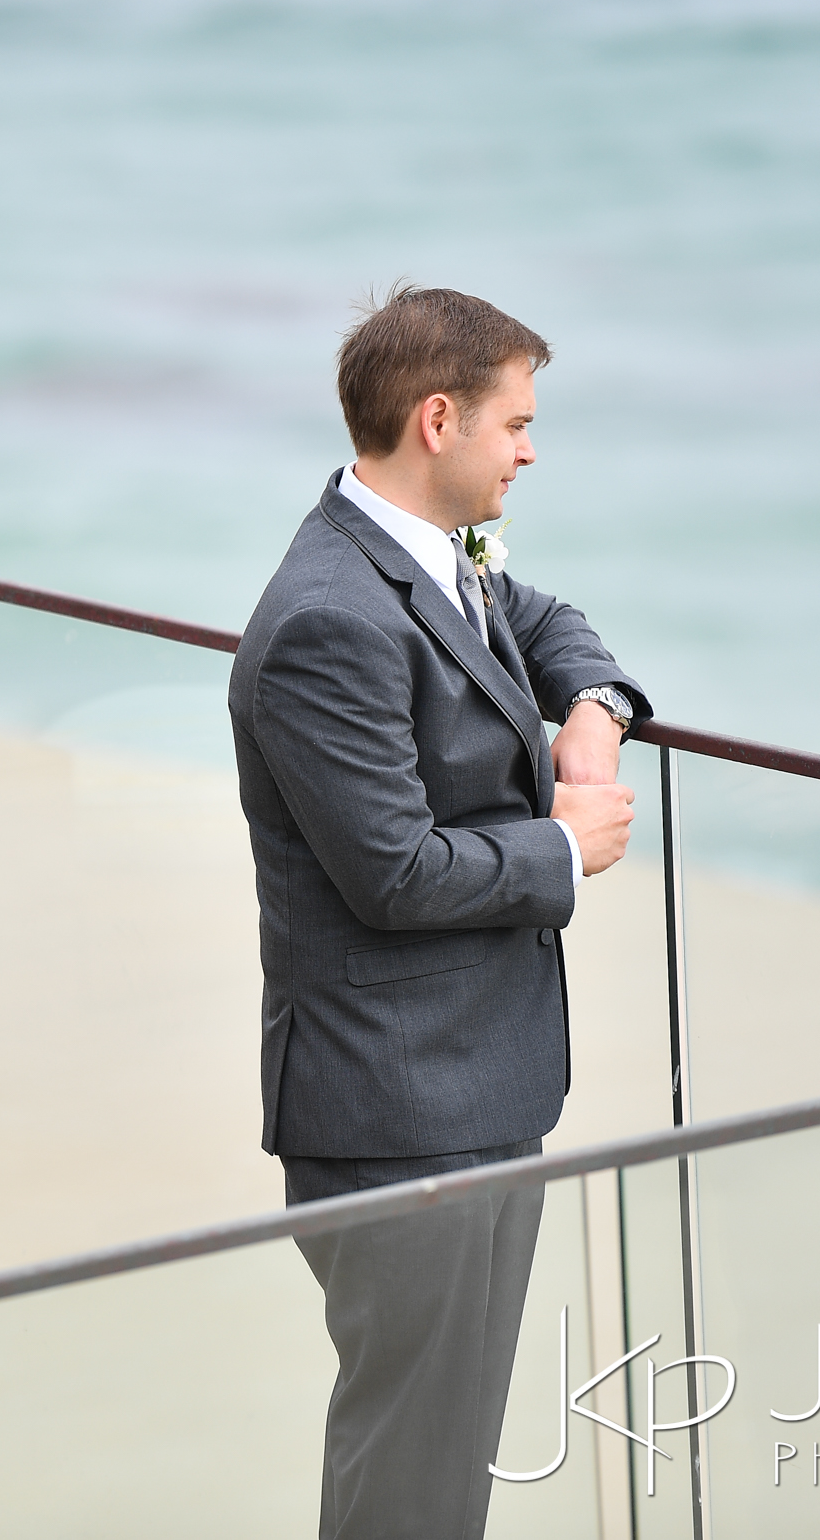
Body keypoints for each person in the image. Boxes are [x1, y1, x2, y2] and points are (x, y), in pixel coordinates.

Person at [228, 284, 649, 1539]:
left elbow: (547, 622)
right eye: (513, 424)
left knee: (446, 1459)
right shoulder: (326, 621)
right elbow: (394, 871)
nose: (529, 449)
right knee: (406, 1471)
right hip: (396, 1113)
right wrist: (561, 847)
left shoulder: (427, 557)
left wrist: (593, 710)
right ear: (434, 420)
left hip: (475, 1089)